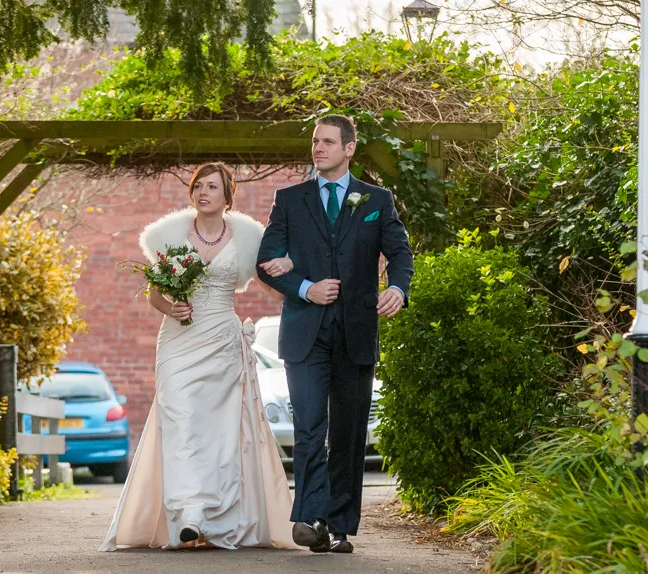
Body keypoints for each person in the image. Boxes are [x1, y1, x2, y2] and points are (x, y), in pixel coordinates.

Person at [101, 162, 296, 551]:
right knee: (181, 419)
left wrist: (291, 268)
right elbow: (156, 292)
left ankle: (215, 514)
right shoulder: (171, 236)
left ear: (227, 196)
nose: (203, 192)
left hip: (222, 342)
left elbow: (273, 283)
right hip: (179, 342)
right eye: (198, 186)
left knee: (219, 430)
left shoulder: (246, 239)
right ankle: (189, 513)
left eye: (212, 186)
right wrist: (169, 308)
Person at [256, 114, 414, 554]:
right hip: (305, 333)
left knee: (348, 432)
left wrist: (397, 288)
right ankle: (308, 516)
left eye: (327, 142)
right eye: (314, 141)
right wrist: (306, 287)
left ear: (349, 149)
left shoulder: (376, 199)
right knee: (308, 427)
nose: (318, 148)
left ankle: (340, 526)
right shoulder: (289, 199)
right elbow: (267, 258)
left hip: (357, 331)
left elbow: (400, 253)